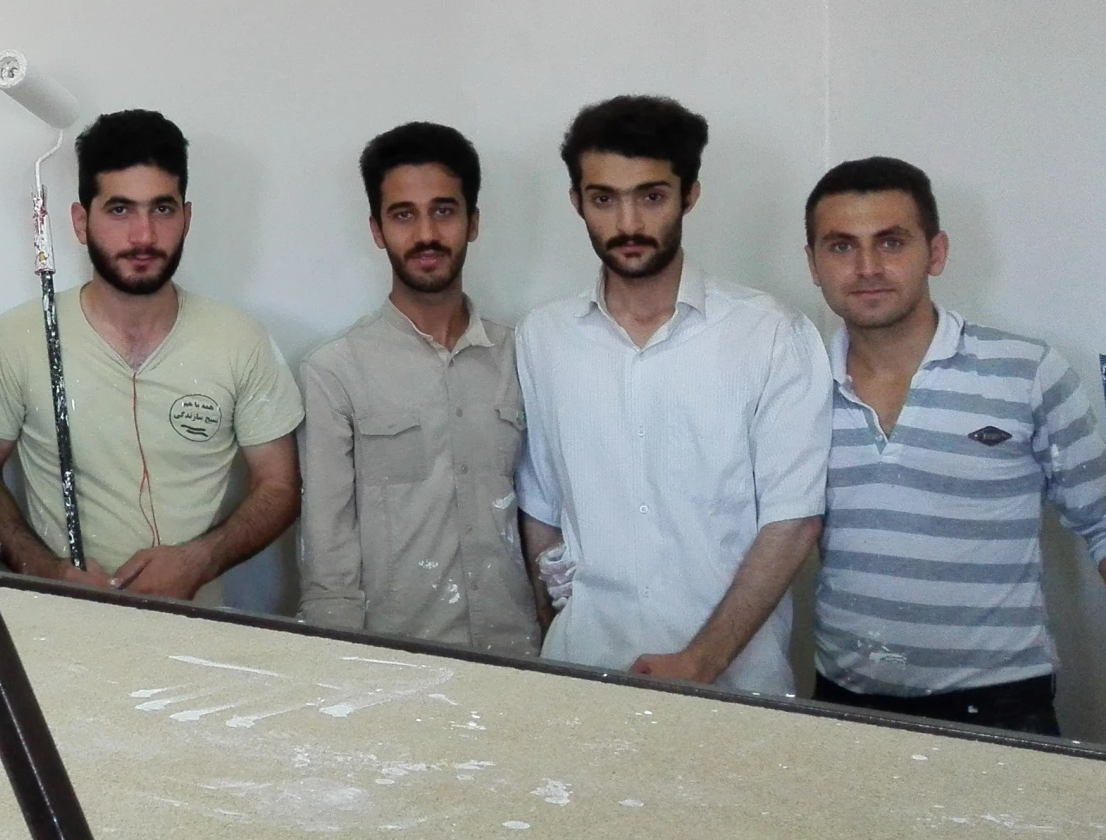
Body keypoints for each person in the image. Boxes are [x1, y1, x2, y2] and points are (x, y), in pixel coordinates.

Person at [515, 96, 831, 696]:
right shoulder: (543, 338)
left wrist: (700, 663)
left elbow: (792, 521)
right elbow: (541, 510)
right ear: (577, 201)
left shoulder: (769, 333)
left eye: (652, 196)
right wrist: (561, 632)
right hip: (583, 673)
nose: (628, 223)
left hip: (737, 687)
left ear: (690, 195)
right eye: (604, 199)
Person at [804, 157, 1106, 735]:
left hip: (999, 707)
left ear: (936, 252)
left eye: (892, 242)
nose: (868, 267)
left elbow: (1102, 520)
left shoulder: (1026, 372)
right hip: (844, 704)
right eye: (841, 247)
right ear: (813, 264)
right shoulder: (796, 384)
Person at [0, 109, 303, 602]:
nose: (144, 236)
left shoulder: (240, 340)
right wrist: (45, 570)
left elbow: (280, 486)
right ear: (80, 222)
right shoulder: (17, 339)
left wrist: (201, 559)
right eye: (120, 210)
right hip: (61, 622)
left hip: (197, 627)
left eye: (162, 209)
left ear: (186, 218)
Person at [296, 123, 540, 655]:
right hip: (394, 664)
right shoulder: (335, 371)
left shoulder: (524, 358)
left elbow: (547, 521)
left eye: (444, 210)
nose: (426, 234)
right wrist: (339, 667)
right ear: (377, 229)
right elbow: (328, 557)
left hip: (520, 657)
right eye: (404, 214)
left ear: (473, 222)